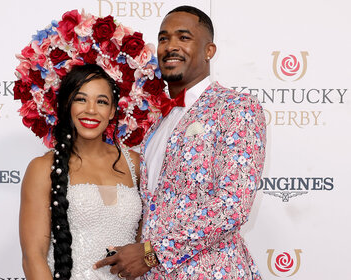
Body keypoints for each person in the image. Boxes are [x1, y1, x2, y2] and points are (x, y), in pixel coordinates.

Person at [94, 5, 266, 279]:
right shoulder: (156, 121)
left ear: (209, 50)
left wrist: (153, 252)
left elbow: (233, 205)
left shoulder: (236, 107)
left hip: (213, 272)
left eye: (183, 37)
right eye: (164, 38)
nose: (170, 46)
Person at [19, 64, 142, 279]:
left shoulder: (134, 164)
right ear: (67, 105)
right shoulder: (42, 168)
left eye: (101, 101)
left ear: (112, 110)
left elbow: (146, 242)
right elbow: (33, 257)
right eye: (81, 99)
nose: (91, 110)